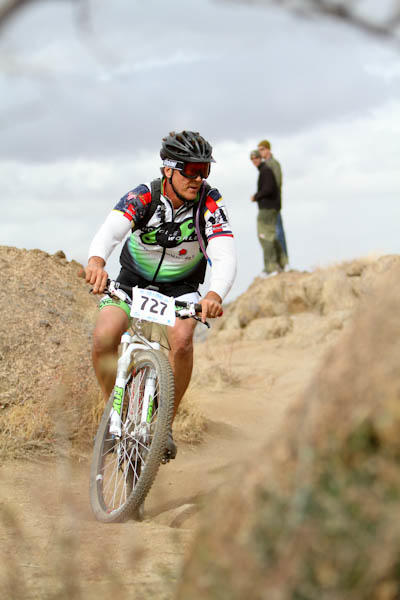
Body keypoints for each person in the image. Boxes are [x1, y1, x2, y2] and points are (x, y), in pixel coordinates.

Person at [85, 130, 237, 459]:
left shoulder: (209, 203)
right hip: (132, 281)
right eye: (190, 171)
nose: (198, 179)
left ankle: (163, 425)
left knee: (182, 341)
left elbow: (224, 252)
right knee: (103, 336)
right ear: (168, 169)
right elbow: (110, 231)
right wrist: (97, 263)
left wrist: (214, 295)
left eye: (204, 171)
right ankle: (116, 409)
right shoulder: (144, 196)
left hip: (180, 289)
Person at [250, 149, 286, 277]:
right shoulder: (265, 170)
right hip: (271, 207)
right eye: (252, 159)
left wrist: (256, 196)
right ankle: (282, 263)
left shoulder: (265, 170)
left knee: (265, 236)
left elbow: (270, 188)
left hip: (267, 208)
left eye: (256, 158)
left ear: (261, 158)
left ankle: (271, 267)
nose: (255, 161)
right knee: (271, 235)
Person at [257, 139, 288, 262]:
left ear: (268, 149)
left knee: (278, 233)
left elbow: (276, 184)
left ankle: (284, 263)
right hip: (267, 206)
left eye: (262, 149)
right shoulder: (264, 166)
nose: (260, 153)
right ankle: (277, 263)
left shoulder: (274, 164)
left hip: (273, 205)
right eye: (259, 150)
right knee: (270, 234)